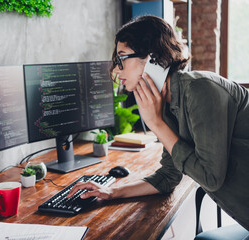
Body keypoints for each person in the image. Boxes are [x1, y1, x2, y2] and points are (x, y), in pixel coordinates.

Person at [67, 15, 249, 231]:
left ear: (153, 59)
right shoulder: (168, 104)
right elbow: (168, 176)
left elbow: (210, 178)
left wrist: (157, 124)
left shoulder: (201, 90)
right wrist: (111, 191)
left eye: (122, 58)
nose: (117, 70)